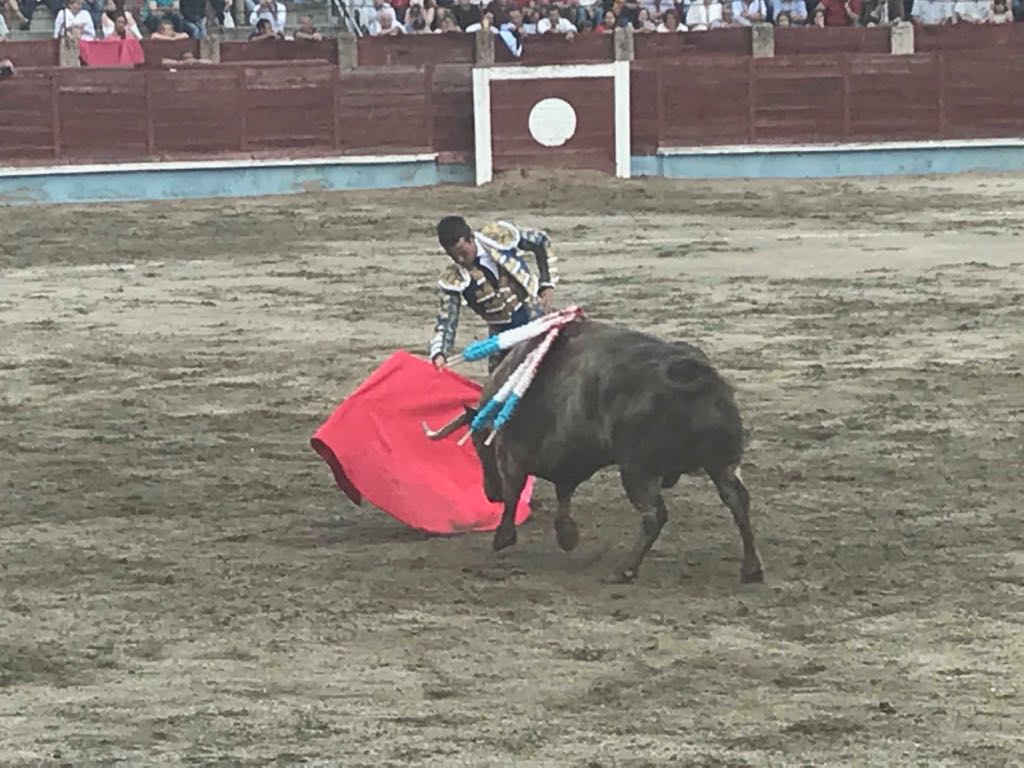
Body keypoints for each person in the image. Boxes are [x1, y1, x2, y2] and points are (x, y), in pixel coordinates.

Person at [429, 216, 559, 373]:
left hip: (535, 317)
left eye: (463, 252)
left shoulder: (498, 236)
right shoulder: (455, 278)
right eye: (453, 256)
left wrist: (547, 284)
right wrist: (440, 354)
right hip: (501, 336)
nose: (460, 259)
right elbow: (447, 319)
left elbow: (540, 241)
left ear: (471, 238)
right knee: (497, 388)